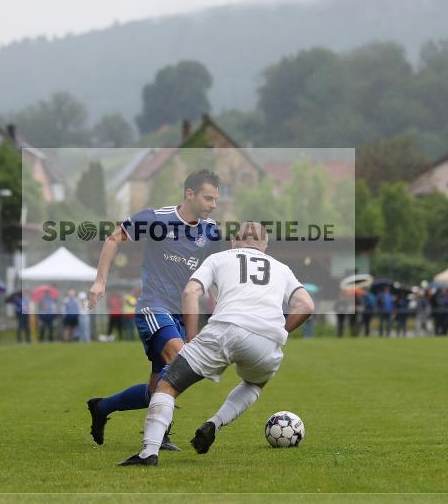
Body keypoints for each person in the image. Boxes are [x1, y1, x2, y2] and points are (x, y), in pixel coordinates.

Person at [118, 222, 314, 466]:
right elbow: (306, 305)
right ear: (264, 246)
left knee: (168, 385)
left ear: (234, 241)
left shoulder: (218, 258)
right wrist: (280, 331)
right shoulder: (282, 268)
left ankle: (149, 452)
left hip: (224, 329)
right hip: (265, 342)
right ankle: (215, 423)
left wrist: (191, 339)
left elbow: (191, 293)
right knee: (254, 384)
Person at [87, 169, 222, 451]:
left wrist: (221, 303)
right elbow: (113, 239)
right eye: (208, 198)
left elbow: (214, 275)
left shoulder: (211, 232)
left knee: (155, 391)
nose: (213, 205)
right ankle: (159, 436)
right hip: (154, 306)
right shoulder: (157, 219)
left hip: (182, 314)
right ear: (190, 194)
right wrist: (100, 281)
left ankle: (103, 407)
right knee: (180, 358)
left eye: (215, 199)